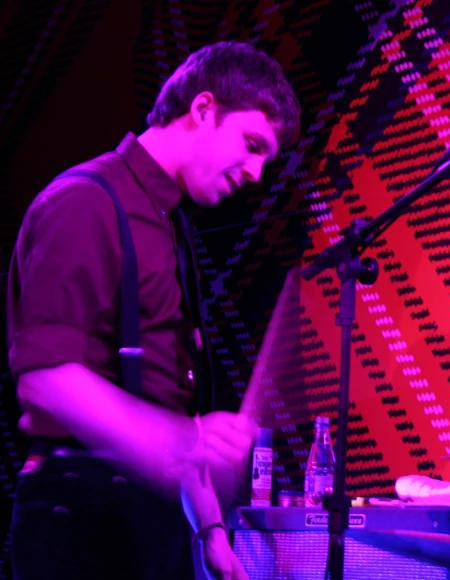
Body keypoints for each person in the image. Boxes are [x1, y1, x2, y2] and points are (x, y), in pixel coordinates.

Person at [6, 40, 300, 580]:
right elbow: (45, 377)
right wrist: (185, 439)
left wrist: (210, 530)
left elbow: (161, 398)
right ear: (203, 109)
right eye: (252, 144)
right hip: (79, 522)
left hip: (145, 523)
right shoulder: (86, 199)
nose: (257, 174)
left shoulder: (170, 224)